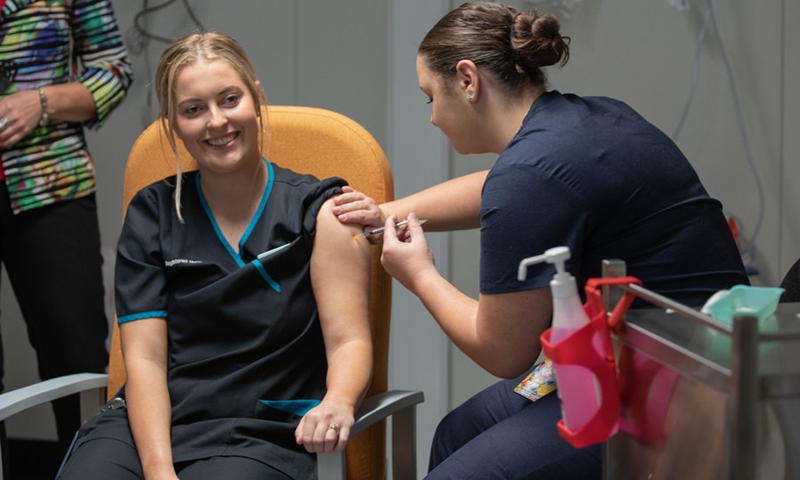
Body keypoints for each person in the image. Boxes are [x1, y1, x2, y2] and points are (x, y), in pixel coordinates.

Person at [334, 2, 749, 478]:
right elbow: (502, 184)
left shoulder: (529, 173)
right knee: (455, 432)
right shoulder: (587, 119)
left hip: (676, 394)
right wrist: (384, 213)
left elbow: (503, 353)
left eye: (431, 98)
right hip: (686, 360)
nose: (433, 118)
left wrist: (418, 274)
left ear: (468, 80)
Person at [56, 32, 373, 480]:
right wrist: (158, 469)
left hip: (262, 429)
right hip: (151, 422)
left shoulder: (319, 212)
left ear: (255, 97)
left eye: (229, 99)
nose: (216, 121)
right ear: (172, 123)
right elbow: (145, 359)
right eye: (193, 109)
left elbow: (348, 341)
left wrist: (338, 400)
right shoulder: (152, 215)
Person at [0, 0, 133, 463]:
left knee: (75, 358)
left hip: (51, 181)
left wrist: (40, 101)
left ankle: (90, 470)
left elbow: (114, 71)